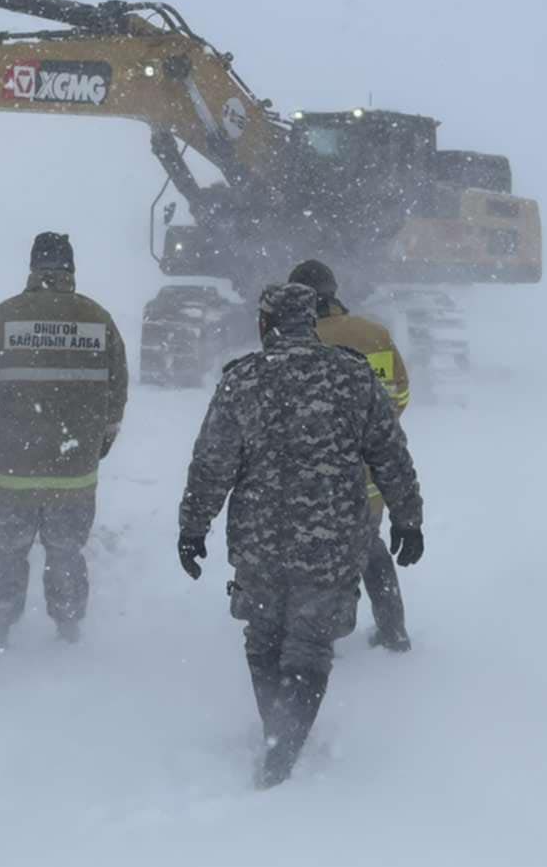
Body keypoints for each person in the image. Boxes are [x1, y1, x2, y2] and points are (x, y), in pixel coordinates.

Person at [178, 281, 424, 788]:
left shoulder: (243, 379)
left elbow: (212, 463)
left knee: (263, 639)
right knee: (311, 644)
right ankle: (284, 746)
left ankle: (278, 738)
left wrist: (193, 526)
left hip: (260, 542)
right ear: (311, 322)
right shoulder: (352, 376)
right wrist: (408, 517)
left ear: (265, 323)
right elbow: (390, 454)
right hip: (331, 540)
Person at [0, 232, 128, 649]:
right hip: (74, 470)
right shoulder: (98, 320)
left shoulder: (3, 318)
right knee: (66, 552)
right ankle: (68, 630)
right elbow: (116, 396)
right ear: (71, 268)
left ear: (34, 267)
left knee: (8, 552)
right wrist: (96, 447)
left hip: (11, 470)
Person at [289, 258, 414, 652]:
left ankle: (317, 639)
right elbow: (400, 395)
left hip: (313, 478)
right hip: (371, 475)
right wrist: (371, 433)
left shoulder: (297, 342)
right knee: (369, 547)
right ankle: (393, 630)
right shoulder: (375, 335)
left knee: (314, 558)